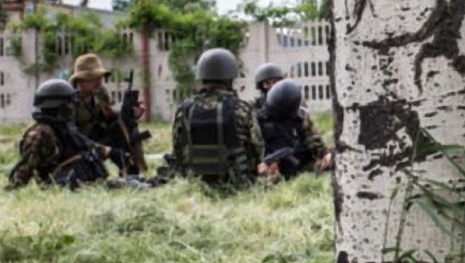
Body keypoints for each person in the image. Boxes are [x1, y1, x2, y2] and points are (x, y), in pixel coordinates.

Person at [168, 48, 265, 190]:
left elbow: (177, 148)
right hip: (236, 184)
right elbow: (258, 147)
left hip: (194, 185)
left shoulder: (184, 109)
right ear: (229, 79)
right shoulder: (242, 108)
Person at [8, 80, 116, 189]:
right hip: (61, 186)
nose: (72, 107)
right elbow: (24, 169)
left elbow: (89, 146)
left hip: (85, 184)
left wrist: (115, 153)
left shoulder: (64, 130)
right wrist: (15, 187)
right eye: (68, 103)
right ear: (56, 105)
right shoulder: (42, 133)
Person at [70, 53, 146, 175]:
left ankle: (134, 171)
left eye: (100, 77)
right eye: (93, 77)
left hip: (97, 139)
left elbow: (110, 116)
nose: (99, 81)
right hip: (77, 147)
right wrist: (105, 150)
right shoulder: (69, 100)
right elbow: (70, 136)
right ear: (80, 80)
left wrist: (130, 114)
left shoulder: (100, 93)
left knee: (126, 125)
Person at [255, 79, 332, 179]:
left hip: (299, 165)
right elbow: (254, 150)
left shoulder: (301, 118)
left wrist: (325, 156)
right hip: (270, 167)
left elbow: (315, 141)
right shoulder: (259, 119)